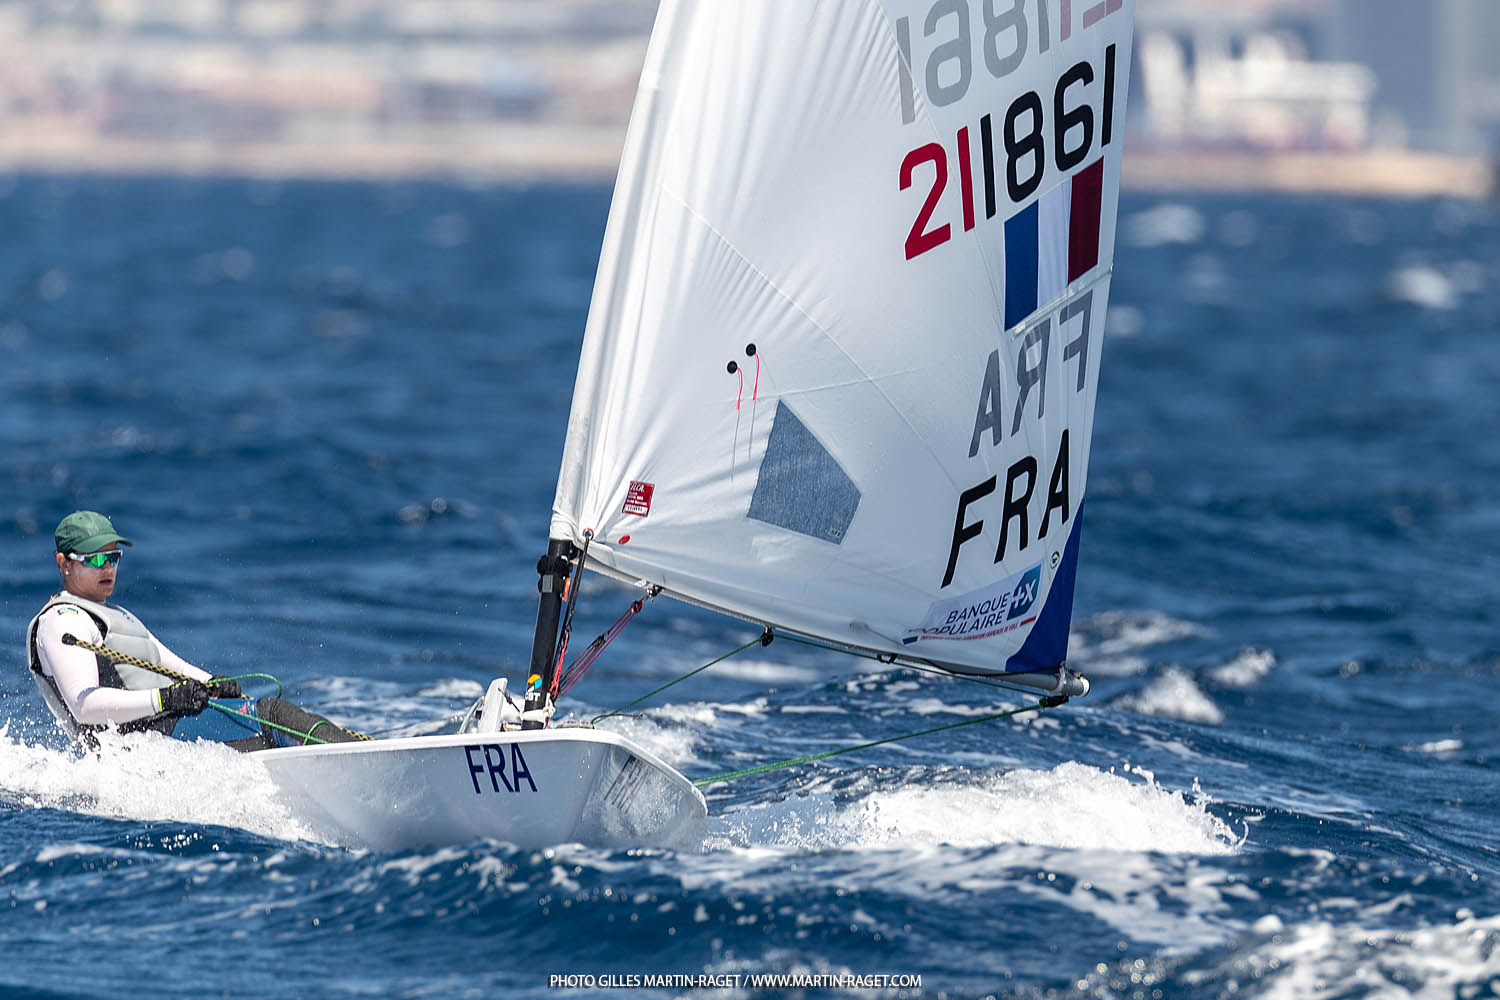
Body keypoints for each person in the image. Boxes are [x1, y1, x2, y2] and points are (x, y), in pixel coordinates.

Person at [26, 510, 362, 751]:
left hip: (167, 726)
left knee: (271, 720)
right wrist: (166, 698)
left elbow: (172, 664)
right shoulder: (63, 619)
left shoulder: (111, 612)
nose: (108, 568)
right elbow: (85, 705)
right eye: (95, 561)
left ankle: (351, 752)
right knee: (274, 717)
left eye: (113, 558)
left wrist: (211, 684)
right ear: (63, 563)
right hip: (138, 744)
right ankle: (357, 763)